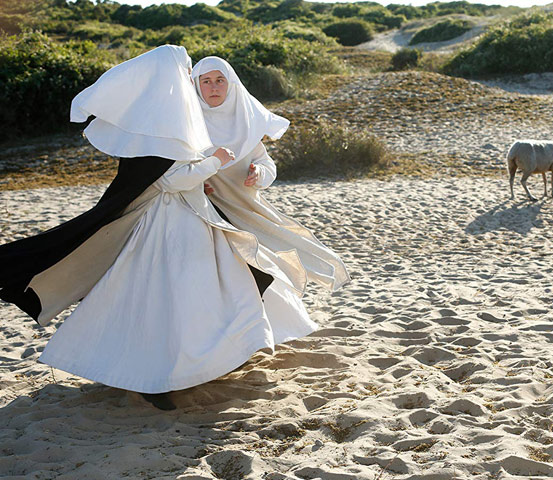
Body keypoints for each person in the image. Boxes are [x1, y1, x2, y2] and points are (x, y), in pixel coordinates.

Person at [0, 45, 295, 410]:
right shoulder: (161, 123)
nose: (192, 78)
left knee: (211, 287)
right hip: (167, 223)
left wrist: (203, 175)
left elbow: (172, 175)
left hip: (190, 217)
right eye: (188, 71)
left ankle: (220, 357)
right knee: (166, 298)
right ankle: (155, 378)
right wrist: (212, 164)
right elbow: (170, 181)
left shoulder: (167, 116)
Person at [189, 56, 349, 338]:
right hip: (204, 210)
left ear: (231, 84)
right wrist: (195, 182)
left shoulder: (246, 121)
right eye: (206, 81)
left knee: (258, 267)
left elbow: (267, 164)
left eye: (220, 81)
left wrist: (258, 174)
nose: (213, 87)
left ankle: (258, 332)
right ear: (196, 85)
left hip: (245, 207)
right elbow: (176, 167)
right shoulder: (188, 125)